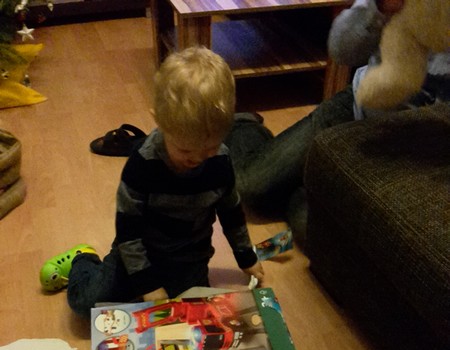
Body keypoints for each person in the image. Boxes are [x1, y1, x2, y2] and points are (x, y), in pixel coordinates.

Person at [39, 47, 264, 317]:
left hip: (189, 257)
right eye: (184, 149)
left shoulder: (221, 162)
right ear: (159, 121)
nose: (196, 159)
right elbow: (128, 231)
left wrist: (246, 257)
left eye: (209, 149)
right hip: (138, 252)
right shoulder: (143, 164)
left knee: (190, 313)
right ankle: (82, 258)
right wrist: (147, 283)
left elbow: (232, 213)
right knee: (86, 303)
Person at [225, 0, 449, 222]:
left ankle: (309, 189)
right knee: (249, 189)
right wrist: (378, 9)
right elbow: (341, 50)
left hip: (421, 149)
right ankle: (244, 124)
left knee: (316, 224)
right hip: (358, 107)